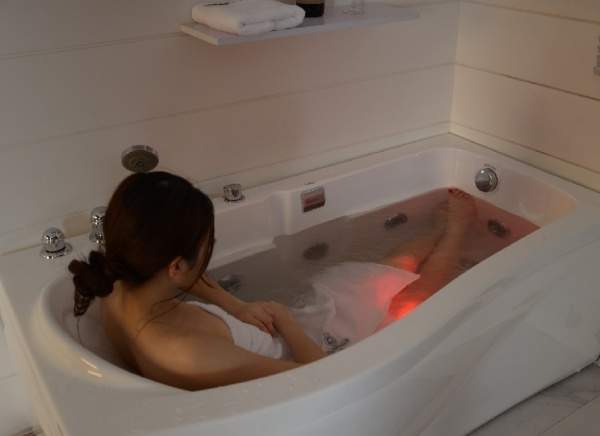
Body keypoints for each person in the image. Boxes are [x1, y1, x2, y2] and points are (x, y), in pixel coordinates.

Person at [69, 172, 474, 390]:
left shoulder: (117, 283)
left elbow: (188, 280)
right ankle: (456, 231)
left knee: (380, 272)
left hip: (290, 322)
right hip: (316, 347)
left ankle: (437, 231)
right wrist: (283, 318)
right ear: (176, 265)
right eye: (208, 245)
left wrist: (237, 305)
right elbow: (321, 381)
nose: (209, 253)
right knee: (412, 299)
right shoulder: (187, 352)